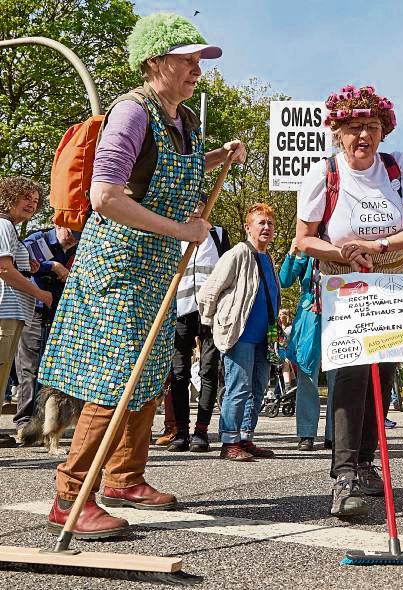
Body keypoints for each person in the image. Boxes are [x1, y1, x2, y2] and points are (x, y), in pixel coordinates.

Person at [41, 12, 245, 539]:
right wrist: (180, 229)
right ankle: (70, 495)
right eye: (189, 58)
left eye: (200, 59)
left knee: (150, 369)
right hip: (120, 267)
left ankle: (125, 477)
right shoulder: (133, 112)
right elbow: (105, 196)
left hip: (155, 269)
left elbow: (166, 171)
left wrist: (220, 154)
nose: (198, 68)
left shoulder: (183, 120)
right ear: (157, 62)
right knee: (114, 376)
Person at [294, 84, 403, 517]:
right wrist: (341, 251)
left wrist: (378, 246)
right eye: (354, 127)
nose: (363, 136)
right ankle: (344, 474)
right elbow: (302, 241)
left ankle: (369, 463)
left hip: (390, 283)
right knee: (351, 376)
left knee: (383, 373)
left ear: (383, 131)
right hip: (344, 285)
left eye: (371, 127)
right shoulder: (324, 173)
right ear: (337, 131)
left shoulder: (397, 167)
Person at [199, 203, 280, 462]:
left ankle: (245, 437)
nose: (266, 227)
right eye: (261, 223)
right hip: (240, 334)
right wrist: (211, 322)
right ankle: (229, 440)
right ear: (248, 227)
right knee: (238, 387)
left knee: (257, 388)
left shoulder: (268, 257)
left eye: (270, 223)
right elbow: (209, 291)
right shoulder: (238, 253)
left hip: (263, 337)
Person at [164, 224, 231, 452]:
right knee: (179, 372)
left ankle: (201, 431)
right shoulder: (173, 231)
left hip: (210, 311)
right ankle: (180, 431)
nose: (195, 208)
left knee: (209, 369)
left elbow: (228, 271)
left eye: (200, 203)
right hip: (181, 311)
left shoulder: (218, 234)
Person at [0, 177, 52, 448]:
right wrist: (39, 293)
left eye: (35, 200)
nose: (31, 204)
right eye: (26, 198)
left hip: (13, 310)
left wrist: (27, 265)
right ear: (9, 197)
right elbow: (4, 269)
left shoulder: (11, 229)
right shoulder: (4, 225)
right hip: (5, 309)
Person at [13, 222, 76, 439]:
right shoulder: (37, 240)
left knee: (52, 371)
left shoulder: (79, 247)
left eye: (78, 234)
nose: (73, 238)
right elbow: (27, 264)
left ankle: (47, 425)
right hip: (34, 309)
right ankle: (25, 422)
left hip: (60, 314)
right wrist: (54, 266)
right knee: (29, 368)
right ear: (59, 224)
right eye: (70, 232)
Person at [279, 238, 323, 451]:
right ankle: (307, 433)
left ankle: (336, 434)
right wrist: (293, 251)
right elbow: (285, 280)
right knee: (306, 374)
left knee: (341, 376)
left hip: (341, 309)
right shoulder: (309, 246)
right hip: (310, 313)